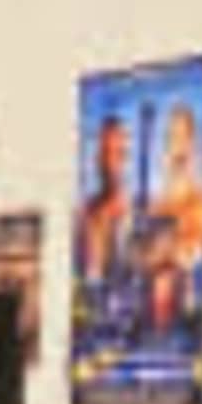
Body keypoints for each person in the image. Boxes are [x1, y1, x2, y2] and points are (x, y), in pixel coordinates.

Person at [144, 101, 202, 339]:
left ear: (193, 143)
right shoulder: (155, 205)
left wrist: (176, 254)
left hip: (188, 313)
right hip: (153, 318)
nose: (178, 146)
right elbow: (144, 257)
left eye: (183, 137)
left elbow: (196, 255)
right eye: (172, 137)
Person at [74, 111, 135, 337]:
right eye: (104, 153)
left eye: (117, 154)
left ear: (126, 158)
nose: (109, 163)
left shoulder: (137, 215)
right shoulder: (84, 214)